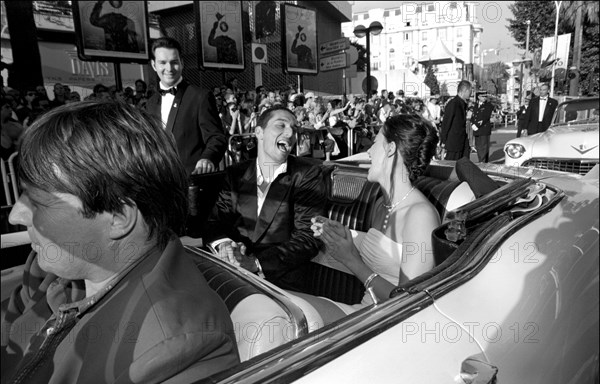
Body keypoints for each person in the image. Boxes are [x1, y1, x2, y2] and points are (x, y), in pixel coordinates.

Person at [0, 101, 240, 384]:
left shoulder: (176, 348)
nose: (15, 214)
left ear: (118, 218)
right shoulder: (49, 264)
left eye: (38, 201)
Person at [311, 114, 439, 313]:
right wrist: (347, 241)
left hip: (386, 323)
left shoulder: (420, 215)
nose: (369, 151)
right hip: (365, 311)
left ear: (390, 149)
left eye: (374, 143)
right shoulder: (381, 204)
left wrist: (350, 259)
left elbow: (408, 301)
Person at [204, 106, 327, 293]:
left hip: (280, 283)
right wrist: (225, 246)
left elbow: (308, 237)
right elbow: (215, 222)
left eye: (294, 129)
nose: (290, 133)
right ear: (259, 132)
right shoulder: (235, 173)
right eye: (281, 125)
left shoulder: (306, 174)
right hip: (229, 274)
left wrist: (255, 263)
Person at [147, 37, 227, 175]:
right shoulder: (150, 103)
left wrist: (207, 159)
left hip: (192, 182)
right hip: (160, 183)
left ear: (182, 63)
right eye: (162, 63)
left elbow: (216, 137)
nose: (169, 68)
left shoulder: (200, 97)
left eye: (174, 62)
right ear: (154, 65)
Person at [440, 80, 472, 160]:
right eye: (470, 92)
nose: (471, 94)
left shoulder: (463, 104)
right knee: (451, 167)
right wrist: (443, 141)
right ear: (465, 91)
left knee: (465, 164)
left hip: (463, 141)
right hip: (453, 143)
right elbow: (446, 123)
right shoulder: (453, 104)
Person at [470, 92, 494, 163]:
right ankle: (482, 161)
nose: (484, 98)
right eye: (482, 96)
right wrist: (472, 124)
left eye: (485, 96)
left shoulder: (488, 105)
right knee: (478, 146)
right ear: (478, 97)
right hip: (476, 129)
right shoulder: (476, 105)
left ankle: (482, 162)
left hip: (484, 129)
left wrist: (477, 124)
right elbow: (473, 116)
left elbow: (486, 117)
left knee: (484, 147)